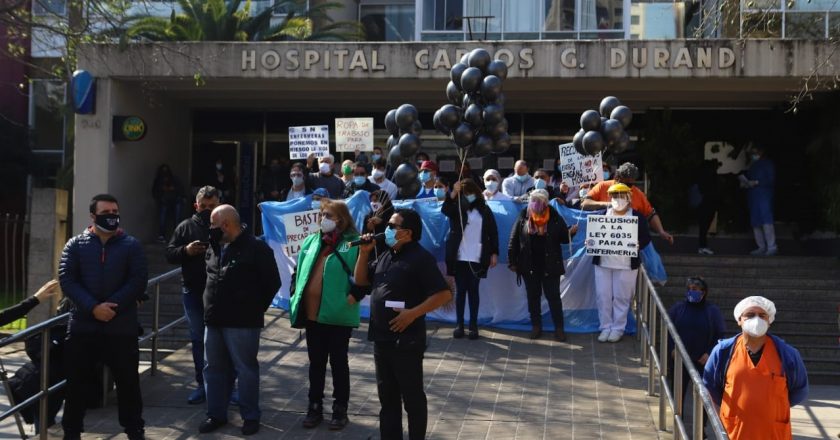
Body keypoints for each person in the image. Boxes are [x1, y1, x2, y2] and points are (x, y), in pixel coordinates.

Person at [353, 209, 453, 440]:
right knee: (387, 399)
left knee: (412, 398)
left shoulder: (420, 258)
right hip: (381, 338)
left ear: (407, 232)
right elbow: (361, 281)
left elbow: (444, 295)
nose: (386, 229)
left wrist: (413, 313)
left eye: (392, 225)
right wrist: (364, 253)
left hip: (406, 340)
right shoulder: (386, 254)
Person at [59, 193, 148, 440]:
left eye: (114, 212)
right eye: (106, 212)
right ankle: (72, 432)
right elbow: (67, 280)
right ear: (93, 215)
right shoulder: (75, 245)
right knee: (76, 385)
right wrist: (93, 308)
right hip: (83, 328)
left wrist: (113, 307)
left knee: (129, 385)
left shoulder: (132, 246)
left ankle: (134, 430)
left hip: (121, 329)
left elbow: (138, 281)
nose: (111, 217)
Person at [199, 205, 281, 435]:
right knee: (213, 368)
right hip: (214, 319)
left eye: (214, 224)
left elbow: (272, 282)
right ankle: (215, 414)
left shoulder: (256, 248)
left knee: (245, 370)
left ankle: (250, 417)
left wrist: (253, 308)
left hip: (243, 323)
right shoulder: (215, 247)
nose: (210, 229)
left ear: (226, 224)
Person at [289, 200, 362, 431]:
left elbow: (365, 276)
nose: (322, 218)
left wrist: (351, 298)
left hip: (338, 316)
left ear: (340, 218)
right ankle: (314, 406)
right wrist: (295, 293)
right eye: (321, 214)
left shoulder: (353, 244)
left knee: (339, 363)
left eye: (327, 214)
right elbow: (297, 270)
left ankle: (340, 410)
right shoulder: (312, 241)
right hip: (313, 316)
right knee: (316, 364)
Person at [703, 296, 808, 440]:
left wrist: (773, 407)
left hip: (774, 432)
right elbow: (710, 388)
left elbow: (799, 390)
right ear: (739, 320)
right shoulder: (723, 351)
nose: (756, 319)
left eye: (762, 315)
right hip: (735, 431)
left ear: (769, 321)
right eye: (750, 315)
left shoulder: (787, 354)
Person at [165, 185, 220, 405]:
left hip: (220, 293)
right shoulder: (185, 227)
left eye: (212, 206)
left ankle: (227, 385)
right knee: (198, 340)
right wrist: (186, 251)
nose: (207, 210)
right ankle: (202, 385)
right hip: (193, 292)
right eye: (204, 207)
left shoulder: (226, 224)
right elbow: (169, 253)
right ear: (196, 206)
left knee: (223, 341)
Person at [508, 189, 576, 341]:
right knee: (533, 297)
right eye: (533, 200)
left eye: (539, 200)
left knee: (553, 298)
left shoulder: (554, 216)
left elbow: (564, 238)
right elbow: (514, 239)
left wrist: (571, 232)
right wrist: (512, 261)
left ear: (546, 202)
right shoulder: (524, 215)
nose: (536, 203)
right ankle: (536, 327)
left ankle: (559, 329)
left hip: (550, 266)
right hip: (529, 265)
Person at [592, 183, 651, 343]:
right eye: (615, 196)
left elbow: (646, 237)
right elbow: (595, 233)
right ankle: (605, 327)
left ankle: (618, 328)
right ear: (610, 197)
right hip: (603, 263)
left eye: (622, 196)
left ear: (629, 198)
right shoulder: (603, 214)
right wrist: (590, 242)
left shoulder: (637, 217)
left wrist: (639, 244)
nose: (618, 199)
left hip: (626, 264)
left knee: (622, 297)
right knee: (603, 296)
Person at [667, 277, 725, 432]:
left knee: (704, 396)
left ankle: (701, 430)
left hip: (703, 361)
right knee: (677, 393)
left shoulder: (711, 311)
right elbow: (668, 328)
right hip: (680, 360)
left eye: (696, 289)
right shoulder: (678, 308)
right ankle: (677, 426)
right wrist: (672, 348)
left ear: (704, 292)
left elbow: (720, 334)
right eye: (690, 288)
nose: (692, 292)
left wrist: (709, 353)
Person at [442, 179, 499, 340]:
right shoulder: (457, 209)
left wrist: (494, 253)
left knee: (473, 291)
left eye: (470, 193)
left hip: (477, 256)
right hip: (460, 256)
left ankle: (473, 326)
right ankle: (459, 325)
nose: (468, 196)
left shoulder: (484, 210)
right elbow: (445, 209)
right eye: (464, 194)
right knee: (461, 292)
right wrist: (453, 192)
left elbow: (493, 232)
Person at [582, 162, 674, 245]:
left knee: (652, 261)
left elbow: (650, 214)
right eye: (625, 184)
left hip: (627, 243)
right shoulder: (602, 186)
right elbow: (584, 204)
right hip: (604, 240)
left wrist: (661, 231)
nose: (626, 189)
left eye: (630, 185)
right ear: (617, 178)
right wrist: (608, 205)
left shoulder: (638, 194)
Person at [744, 145, 777, 256]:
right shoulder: (752, 165)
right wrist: (745, 183)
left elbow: (771, 180)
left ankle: (771, 246)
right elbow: (748, 177)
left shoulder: (768, 164)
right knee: (755, 222)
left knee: (766, 220)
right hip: (753, 196)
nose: (753, 154)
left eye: (755, 152)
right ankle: (761, 246)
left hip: (764, 195)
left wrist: (757, 182)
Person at [151, 163, 184, 242]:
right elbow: (155, 192)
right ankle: (162, 236)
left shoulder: (173, 179)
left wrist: (173, 190)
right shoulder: (159, 181)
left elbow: (179, 189)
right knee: (163, 219)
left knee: (177, 219)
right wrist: (161, 195)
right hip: (164, 202)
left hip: (175, 201)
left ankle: (177, 237)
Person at [695, 159, 720, 255]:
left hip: (703, 204)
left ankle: (702, 246)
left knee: (703, 226)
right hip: (709, 203)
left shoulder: (701, 177)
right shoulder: (712, 177)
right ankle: (703, 246)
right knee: (705, 226)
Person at [364, 190, 395, 256]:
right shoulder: (368, 217)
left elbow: (395, 233)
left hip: (388, 251)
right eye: (372, 201)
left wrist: (383, 222)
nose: (373, 203)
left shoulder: (394, 215)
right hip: (372, 252)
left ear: (384, 201)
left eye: (376, 200)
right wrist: (368, 229)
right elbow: (364, 235)